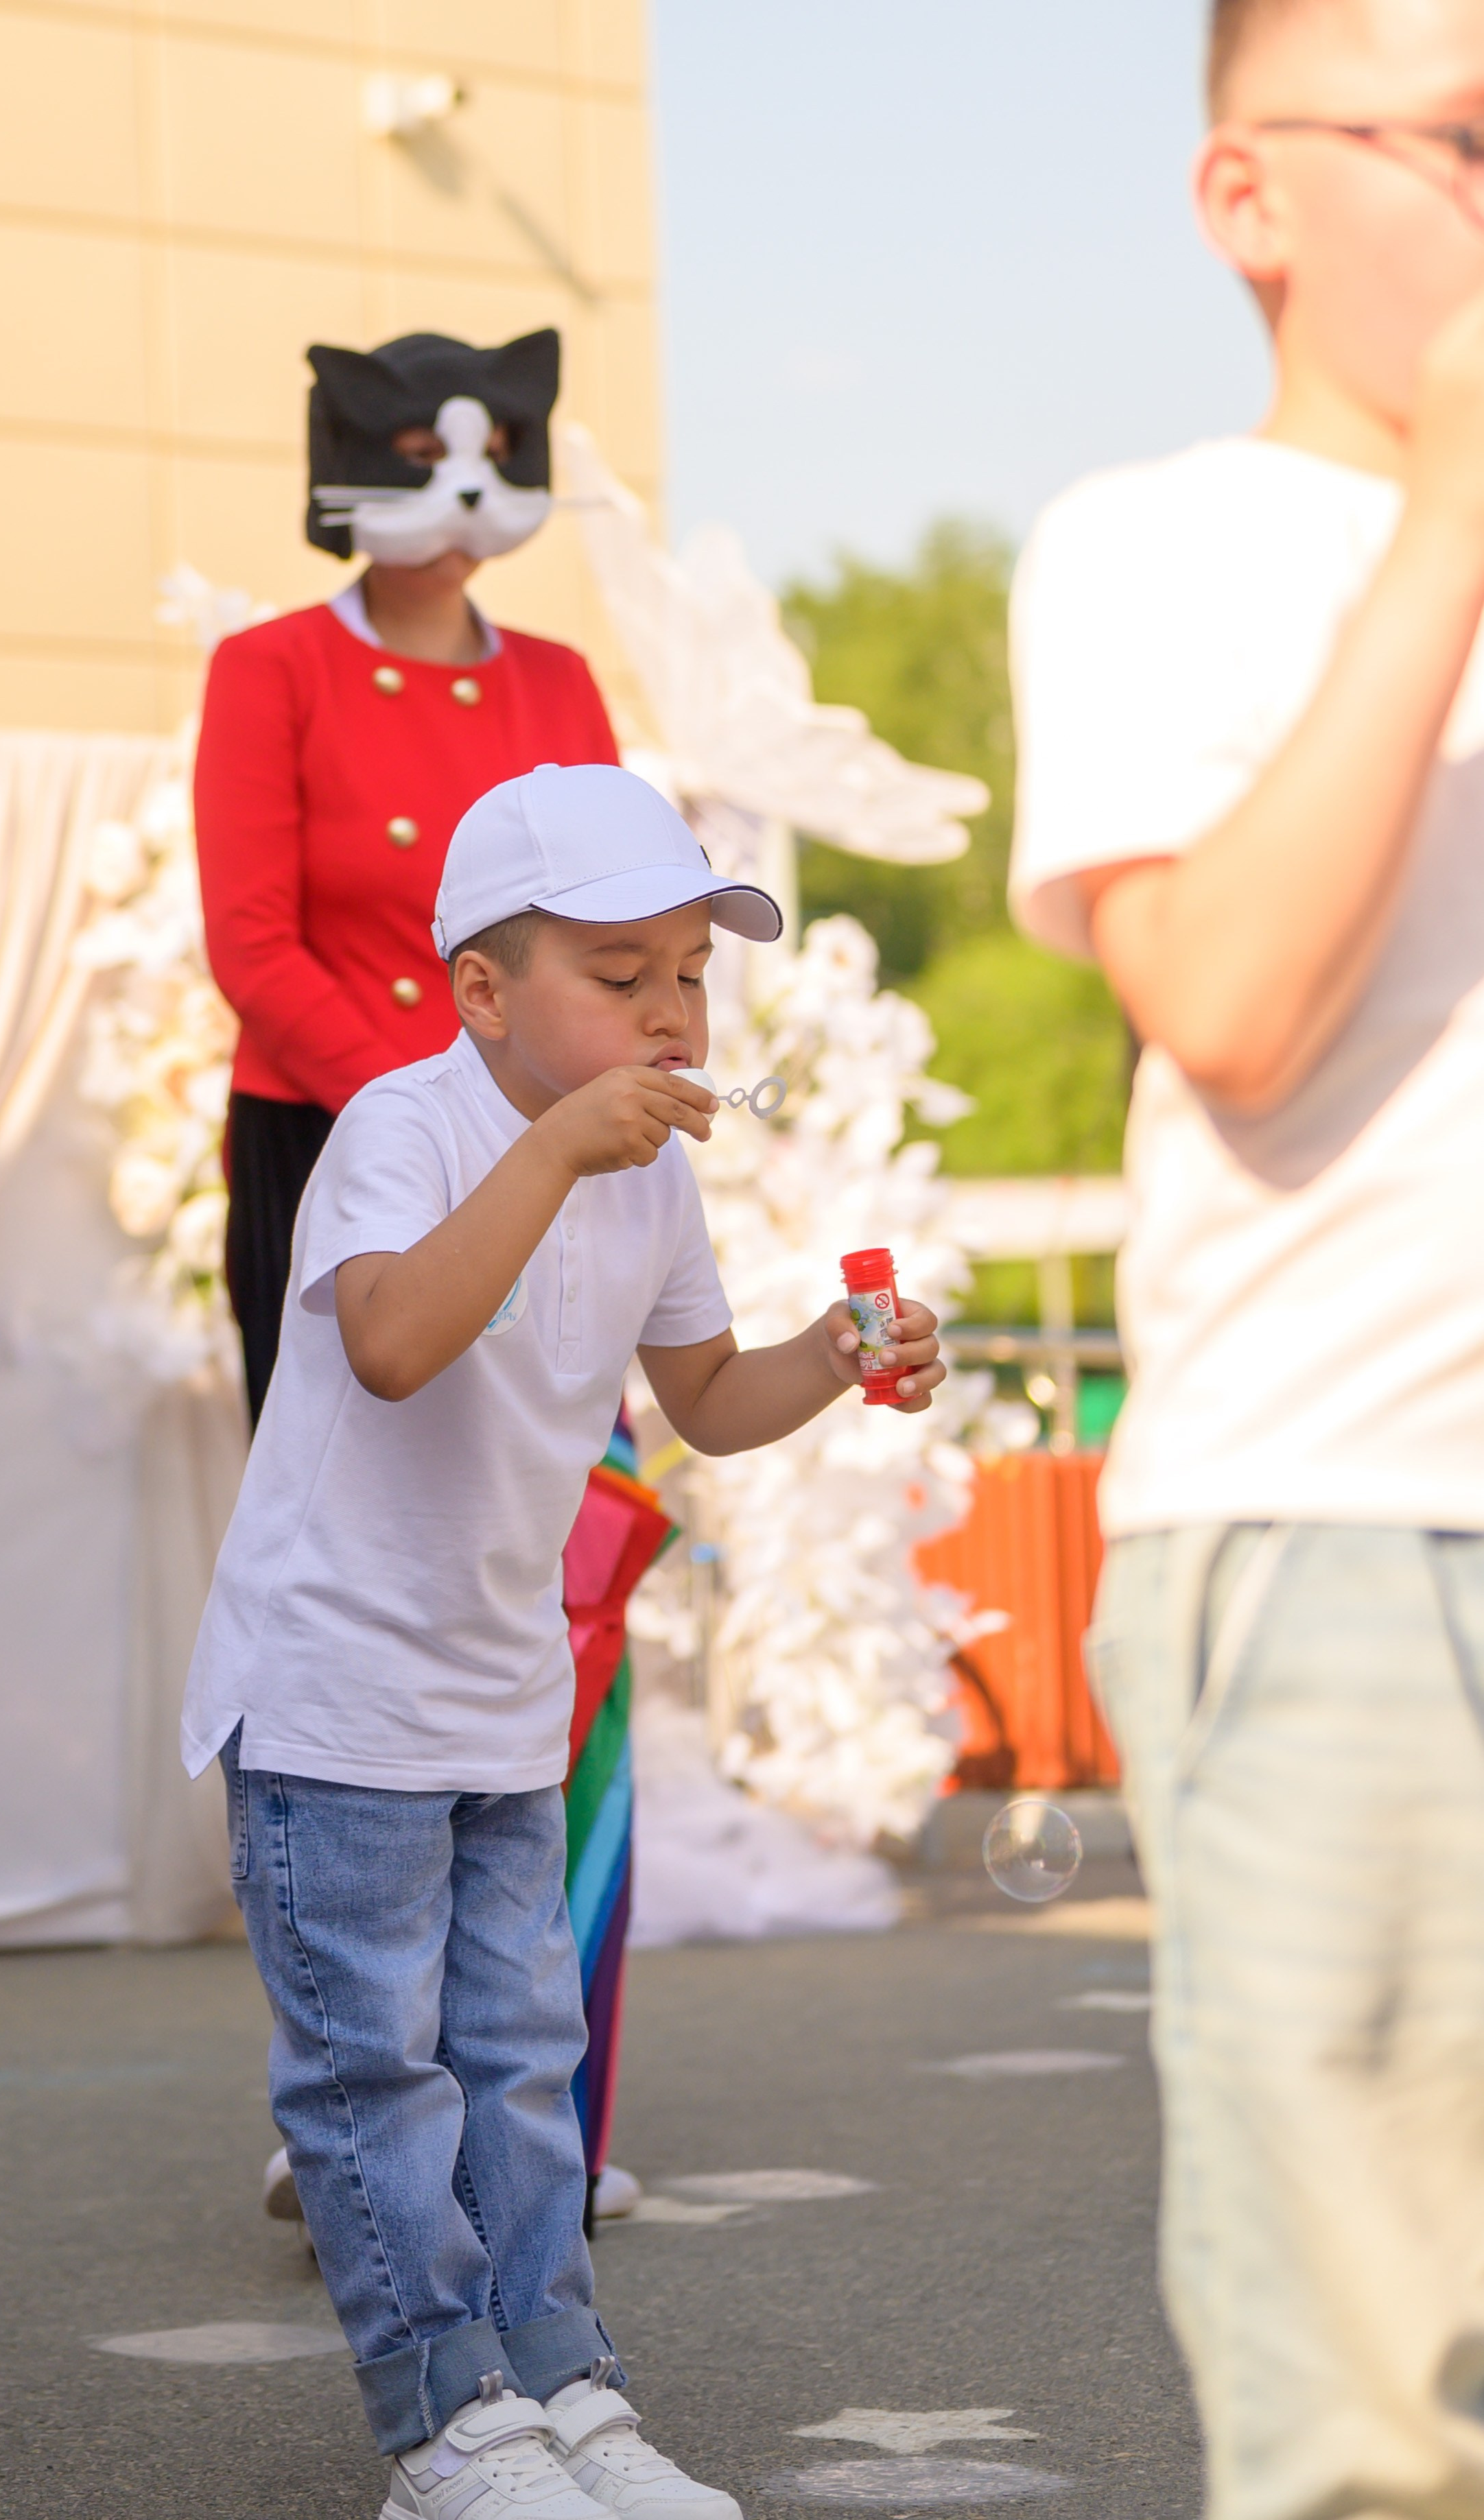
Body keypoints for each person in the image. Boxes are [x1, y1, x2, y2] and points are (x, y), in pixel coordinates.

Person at [180, 763, 945, 2516]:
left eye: (690, 973)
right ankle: (448, 2427)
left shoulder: (646, 1177)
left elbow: (707, 1398)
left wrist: (838, 1353)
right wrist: (550, 1151)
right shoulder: (405, 1129)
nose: (671, 1013)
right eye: (619, 975)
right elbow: (391, 1343)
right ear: (480, 990)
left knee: (525, 2070)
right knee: (378, 2081)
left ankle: (563, 2392)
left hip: (504, 1697)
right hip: (333, 1698)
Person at [1008, 3, 1484, 2514]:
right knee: (1382, 2431)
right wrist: (1453, 520)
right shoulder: (1164, 544)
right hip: (1356, 1538)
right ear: (1249, 198)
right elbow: (1229, 1004)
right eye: (1469, 136)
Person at [194, 328, 644, 2224]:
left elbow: (622, 928)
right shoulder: (268, 668)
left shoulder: (558, 680)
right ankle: (351, 2091)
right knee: (358, 1595)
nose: (459, 490)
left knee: (554, 1575)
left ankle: (535, 2088)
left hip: (552, 1151)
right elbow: (253, 940)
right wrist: (429, 1118)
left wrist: (563, 1116)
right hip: (340, 1150)